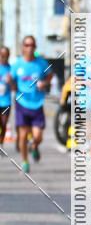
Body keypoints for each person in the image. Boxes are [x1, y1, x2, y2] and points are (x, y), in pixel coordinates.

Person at [10, 35, 53, 173]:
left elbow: (49, 75)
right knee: (22, 135)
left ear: (35, 47)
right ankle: (25, 161)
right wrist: (11, 83)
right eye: (27, 45)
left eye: (32, 45)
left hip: (37, 104)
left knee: (38, 136)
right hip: (22, 103)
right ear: (23, 47)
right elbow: (12, 81)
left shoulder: (41, 63)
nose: (29, 48)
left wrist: (44, 83)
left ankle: (34, 146)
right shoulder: (17, 64)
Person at [0, 45, 12, 147]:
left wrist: (10, 82)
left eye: (6, 56)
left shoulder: (11, 69)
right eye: (2, 55)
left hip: (6, 102)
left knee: (3, 123)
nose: (4, 57)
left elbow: (15, 85)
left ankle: (1, 144)